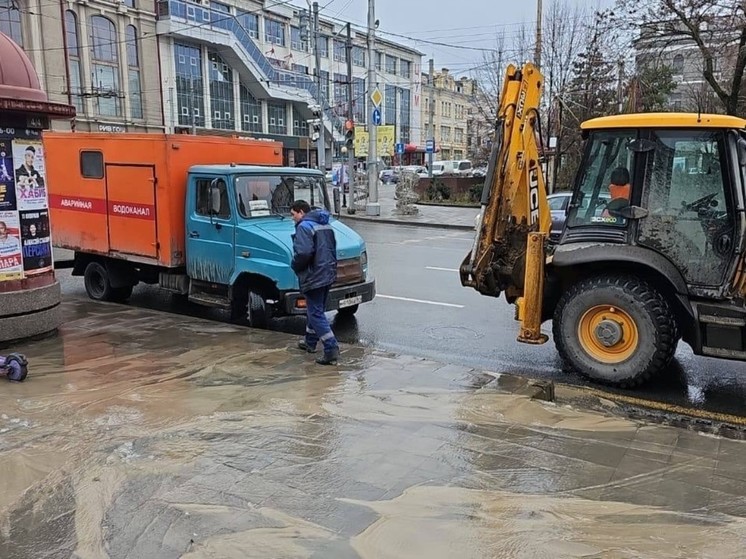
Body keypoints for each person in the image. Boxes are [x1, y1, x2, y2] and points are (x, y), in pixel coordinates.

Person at [290, 199, 340, 365]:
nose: (293, 218)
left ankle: (331, 348)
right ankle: (310, 342)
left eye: (293, 214)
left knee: (315, 313)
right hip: (328, 272)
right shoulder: (325, 225)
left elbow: (303, 253)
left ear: (301, 212)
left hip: (314, 275)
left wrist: (295, 266)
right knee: (316, 309)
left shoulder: (305, 227)